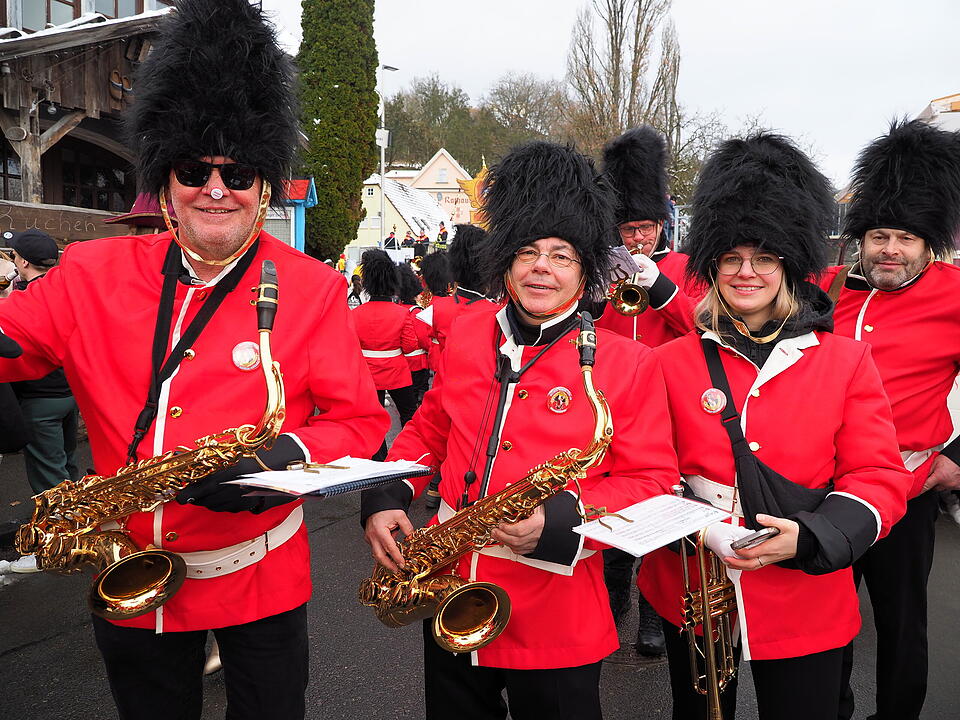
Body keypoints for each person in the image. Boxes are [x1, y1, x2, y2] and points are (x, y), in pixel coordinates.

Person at [0, 1, 388, 718]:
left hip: (260, 573)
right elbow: (12, 340)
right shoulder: (89, 273)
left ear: (264, 183)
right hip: (128, 571)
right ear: (165, 179)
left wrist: (279, 462)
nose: (216, 188)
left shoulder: (314, 287)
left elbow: (359, 422)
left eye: (238, 172)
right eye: (193, 168)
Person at [361, 141, 679, 720]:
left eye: (562, 255)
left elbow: (653, 481)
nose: (542, 267)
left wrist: (560, 521)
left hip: (558, 610)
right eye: (528, 251)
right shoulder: (467, 335)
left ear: (584, 272)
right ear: (505, 261)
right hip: (449, 587)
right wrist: (387, 494)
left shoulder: (628, 362)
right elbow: (430, 429)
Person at [636, 133, 911, 720]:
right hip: (694, 579)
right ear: (713, 266)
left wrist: (812, 537)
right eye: (732, 259)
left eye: (763, 259)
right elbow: (647, 469)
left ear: (787, 266)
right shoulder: (668, 362)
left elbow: (877, 475)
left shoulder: (844, 361)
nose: (746, 273)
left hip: (804, 590)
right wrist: (704, 530)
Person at [820, 119, 960, 720]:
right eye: (879, 234)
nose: (889, 250)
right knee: (827, 621)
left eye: (904, 237)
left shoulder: (955, 295)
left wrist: (957, 461)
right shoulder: (830, 289)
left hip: (907, 487)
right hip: (823, 489)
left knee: (902, 624)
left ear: (928, 243)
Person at [595, 126, 705, 655]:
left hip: (678, 405)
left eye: (645, 228)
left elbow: (706, 330)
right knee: (616, 509)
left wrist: (660, 288)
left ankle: (655, 616)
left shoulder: (688, 270)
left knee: (665, 512)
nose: (637, 238)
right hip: (617, 405)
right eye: (629, 228)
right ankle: (613, 605)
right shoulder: (608, 270)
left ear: (663, 225)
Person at [415, 223, 497, 509]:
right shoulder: (494, 312)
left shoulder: (437, 307)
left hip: (440, 370)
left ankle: (435, 483)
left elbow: (424, 338)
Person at [352, 249, 419, 461]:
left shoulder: (355, 314)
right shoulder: (402, 314)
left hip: (368, 373)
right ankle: (408, 457)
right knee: (409, 416)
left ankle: (379, 459)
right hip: (397, 372)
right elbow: (409, 347)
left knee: (373, 420)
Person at [396, 261, 433, 407]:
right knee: (417, 400)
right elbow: (424, 340)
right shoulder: (416, 312)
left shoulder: (397, 309)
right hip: (417, 363)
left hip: (402, 362)